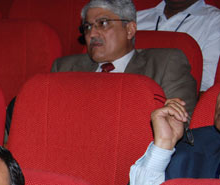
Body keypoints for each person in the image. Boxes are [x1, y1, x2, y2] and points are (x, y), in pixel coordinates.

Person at [52, 0, 197, 115]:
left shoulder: (165, 64)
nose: (92, 34)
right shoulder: (64, 68)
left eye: (102, 23)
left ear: (129, 30)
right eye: (87, 27)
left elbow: (179, 122)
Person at [137, 0, 220, 92]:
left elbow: (206, 86)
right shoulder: (136, 18)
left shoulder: (215, 21)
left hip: (179, 96)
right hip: (129, 90)